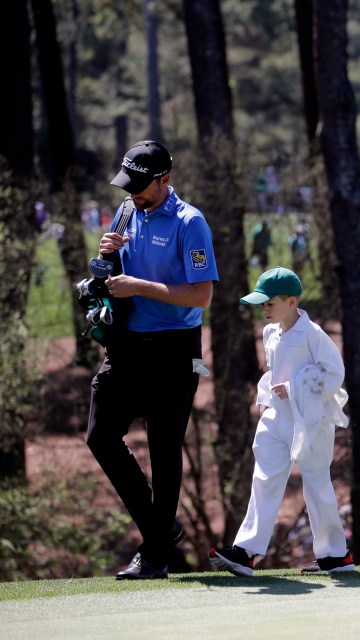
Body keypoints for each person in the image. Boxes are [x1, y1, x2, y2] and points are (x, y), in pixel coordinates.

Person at [86, 139, 219, 579]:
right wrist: (107, 259)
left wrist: (138, 286)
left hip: (173, 349)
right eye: (129, 185)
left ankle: (155, 554)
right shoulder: (126, 211)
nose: (133, 194)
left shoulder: (190, 223)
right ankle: (162, 527)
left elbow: (201, 296)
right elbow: (113, 274)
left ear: (165, 179)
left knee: (164, 452)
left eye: (141, 186)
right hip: (126, 344)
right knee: (100, 435)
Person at [209, 266, 354, 576]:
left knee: (316, 484)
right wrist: (266, 398)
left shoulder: (314, 335)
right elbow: (275, 371)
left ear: (291, 302)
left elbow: (334, 375)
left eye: (269, 303)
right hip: (277, 419)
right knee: (264, 479)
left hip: (312, 421)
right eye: (262, 304)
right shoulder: (269, 332)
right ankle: (245, 552)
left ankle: (334, 557)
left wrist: (291, 389)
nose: (264, 309)